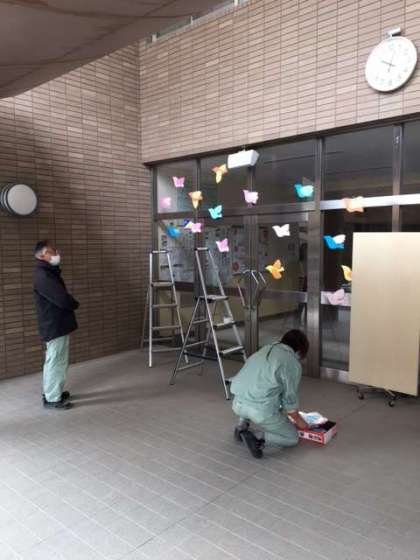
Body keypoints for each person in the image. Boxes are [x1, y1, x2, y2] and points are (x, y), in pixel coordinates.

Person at [230, 329, 310, 458]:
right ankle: (257, 437)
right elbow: (290, 402)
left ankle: (241, 427)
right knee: (292, 438)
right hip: (260, 412)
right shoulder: (292, 363)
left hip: (237, 404)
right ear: (300, 350)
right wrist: (302, 423)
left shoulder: (264, 349)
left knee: (256, 390)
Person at [33, 240, 79, 410]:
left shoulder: (47, 273)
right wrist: (74, 303)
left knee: (55, 359)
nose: (57, 254)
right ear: (42, 255)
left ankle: (52, 392)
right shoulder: (44, 276)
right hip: (54, 325)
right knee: (56, 360)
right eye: (52, 251)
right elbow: (61, 298)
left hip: (55, 323)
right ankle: (52, 398)